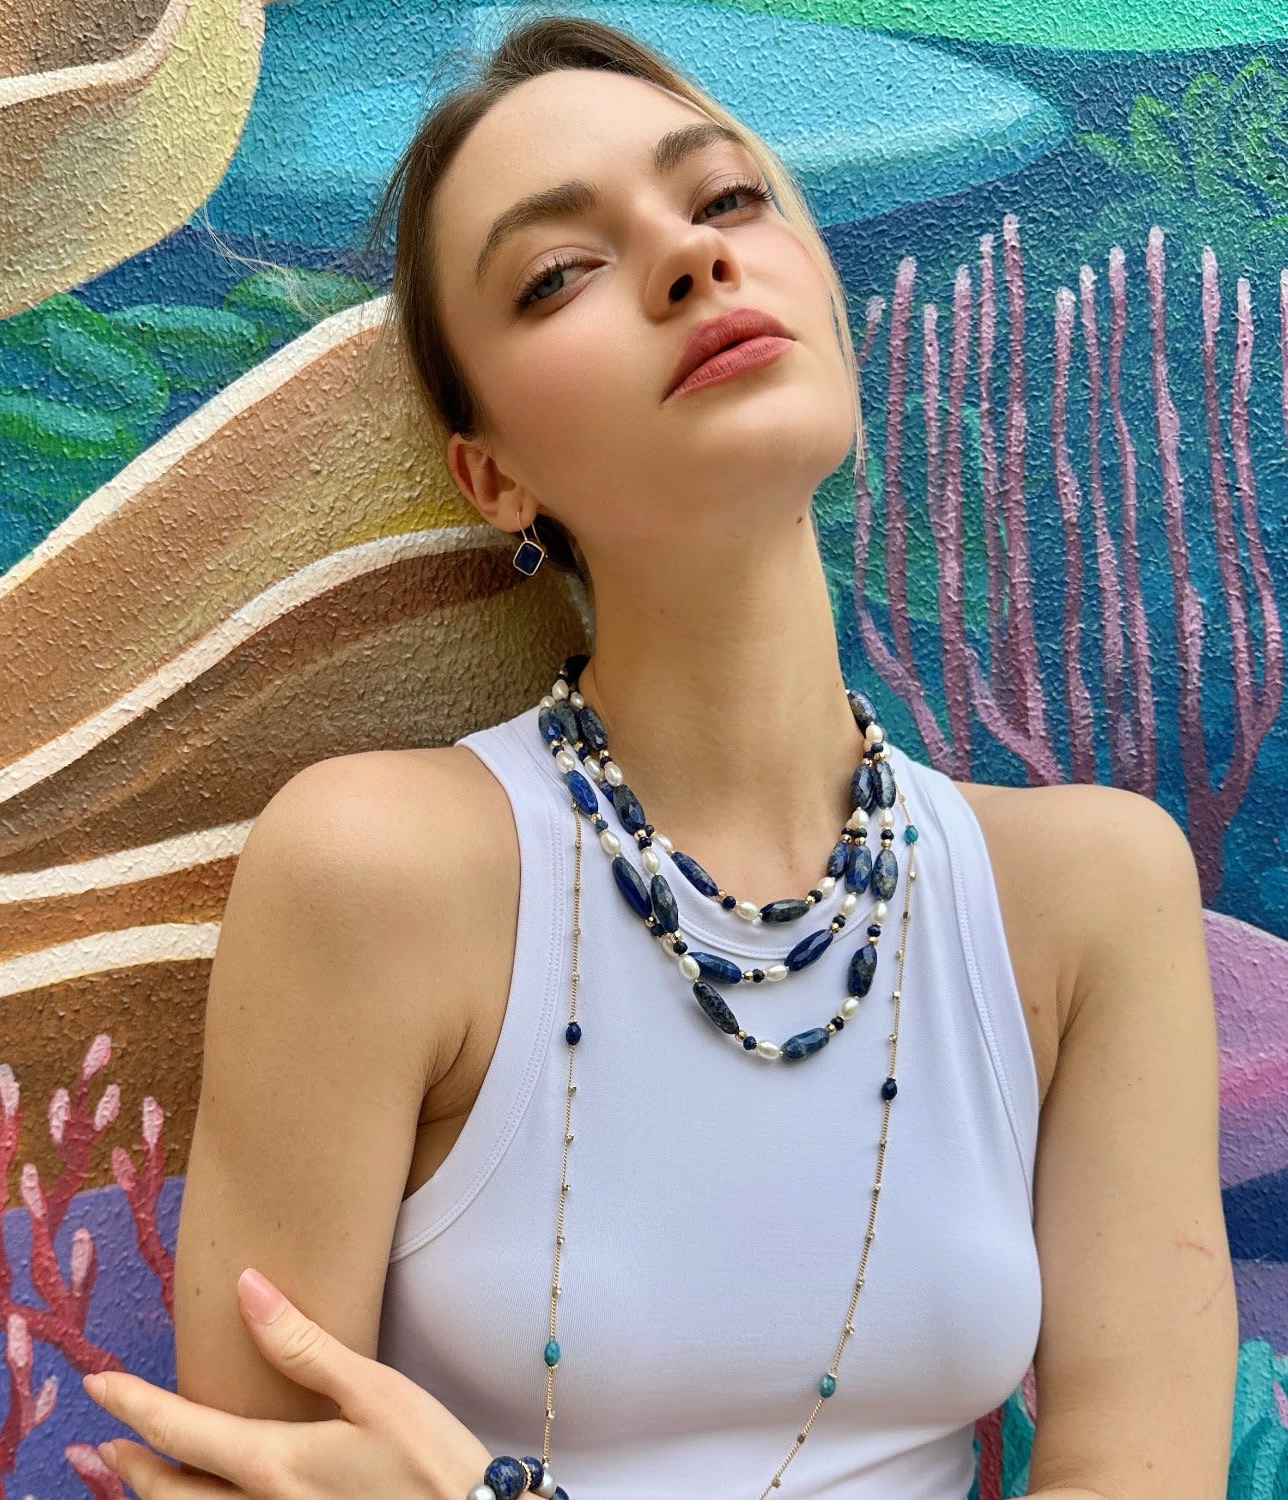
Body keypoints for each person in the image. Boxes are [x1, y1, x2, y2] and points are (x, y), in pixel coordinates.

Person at [80, 13, 1237, 1498]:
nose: (691, 258)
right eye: (558, 273)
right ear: (495, 474)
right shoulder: (375, 872)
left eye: (729, 199)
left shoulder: (1091, 895)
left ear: (825, 293)